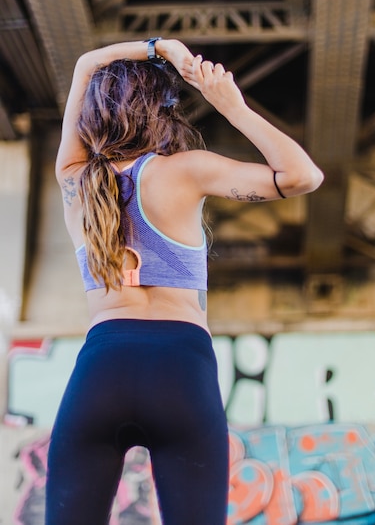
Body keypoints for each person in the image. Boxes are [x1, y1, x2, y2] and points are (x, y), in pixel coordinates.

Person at [46, 37, 323, 525]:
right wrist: (231, 106)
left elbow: (87, 62)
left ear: (92, 114)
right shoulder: (186, 171)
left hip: (100, 370)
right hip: (181, 368)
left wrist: (158, 47)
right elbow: (303, 176)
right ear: (160, 112)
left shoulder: (74, 179)